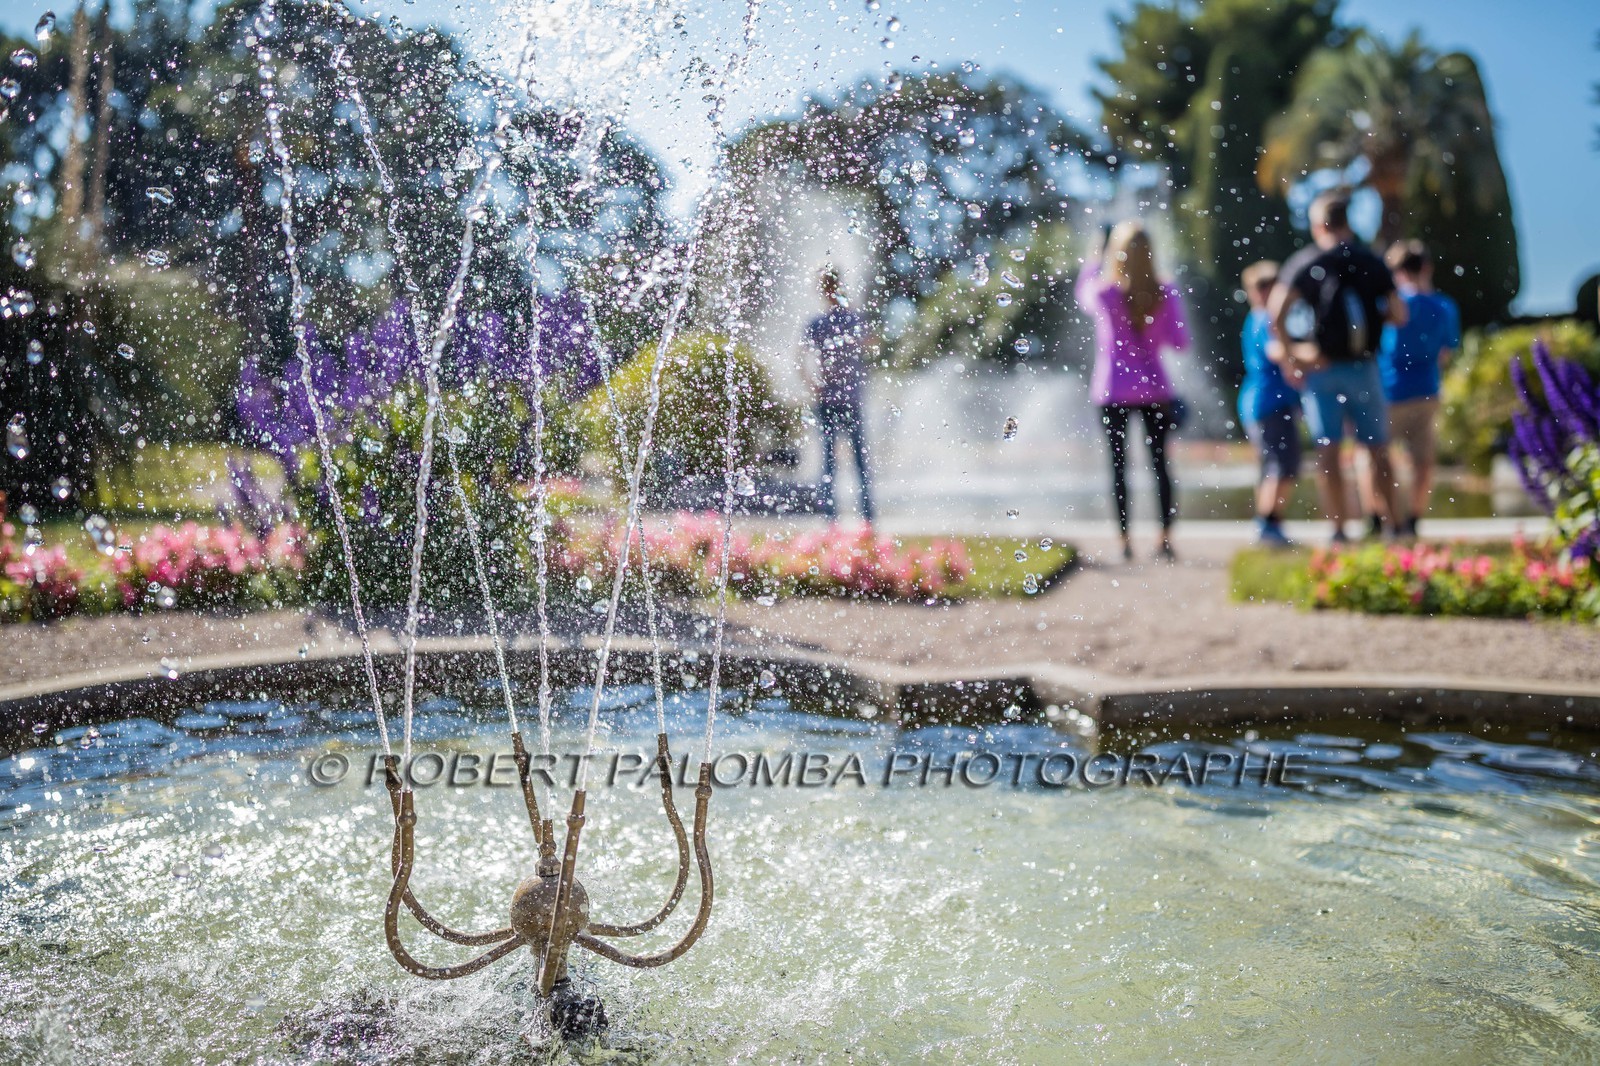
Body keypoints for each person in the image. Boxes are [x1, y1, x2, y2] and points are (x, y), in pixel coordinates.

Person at [1267, 190, 1406, 543]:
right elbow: (1399, 314)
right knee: (1376, 448)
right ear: (1348, 222)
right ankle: (1393, 527)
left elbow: (1276, 311)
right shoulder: (1370, 260)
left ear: (1319, 225)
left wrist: (1293, 356)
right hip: (1364, 366)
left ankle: (1339, 531)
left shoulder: (1308, 261)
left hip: (1321, 369)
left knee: (1328, 450)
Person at [1077, 220, 1190, 561]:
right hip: (1155, 388)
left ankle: (1125, 542)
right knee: (1161, 464)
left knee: (1118, 466)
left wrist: (1096, 255)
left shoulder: (1104, 293)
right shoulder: (1165, 292)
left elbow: (1082, 293)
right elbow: (1181, 343)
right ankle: (1165, 539)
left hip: (1113, 389)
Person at [1376, 240, 1460, 538]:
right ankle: (1413, 519)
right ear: (1426, 267)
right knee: (1422, 461)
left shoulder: (1391, 304)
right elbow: (1446, 353)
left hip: (1388, 390)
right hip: (1426, 390)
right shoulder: (1444, 306)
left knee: (1376, 456)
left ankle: (1383, 519)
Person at [1238, 260, 1302, 546]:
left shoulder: (1254, 318)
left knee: (1270, 464)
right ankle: (1268, 523)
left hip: (1258, 400)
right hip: (1270, 401)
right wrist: (1308, 353)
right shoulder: (1266, 318)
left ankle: (1268, 521)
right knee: (1283, 464)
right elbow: (1276, 351)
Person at [803, 267, 875, 523]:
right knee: (843, 462)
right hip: (839, 399)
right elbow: (801, 360)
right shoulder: (840, 320)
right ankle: (853, 519)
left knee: (840, 462)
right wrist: (814, 384)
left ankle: (850, 519)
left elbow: (870, 342)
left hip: (841, 399)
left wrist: (814, 384)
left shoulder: (834, 320)